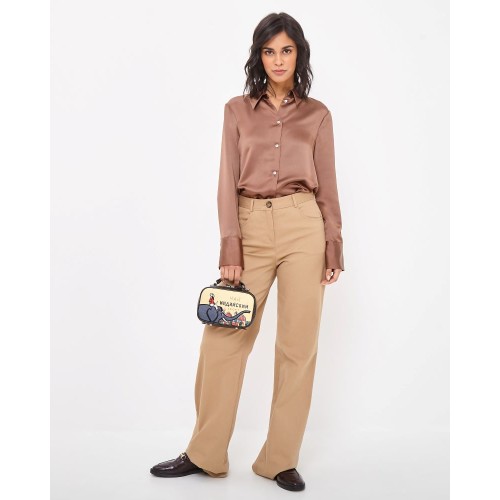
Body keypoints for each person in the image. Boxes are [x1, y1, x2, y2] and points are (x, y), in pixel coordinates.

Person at [150, 11, 344, 492]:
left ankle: (279, 459)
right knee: (223, 338)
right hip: (250, 227)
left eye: (287, 50)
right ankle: (204, 453)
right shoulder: (236, 110)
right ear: (259, 56)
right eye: (269, 50)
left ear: (299, 55)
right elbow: (226, 180)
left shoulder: (318, 114)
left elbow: (328, 184)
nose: (278, 59)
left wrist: (333, 244)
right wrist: (230, 245)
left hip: (303, 227)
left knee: (297, 347)